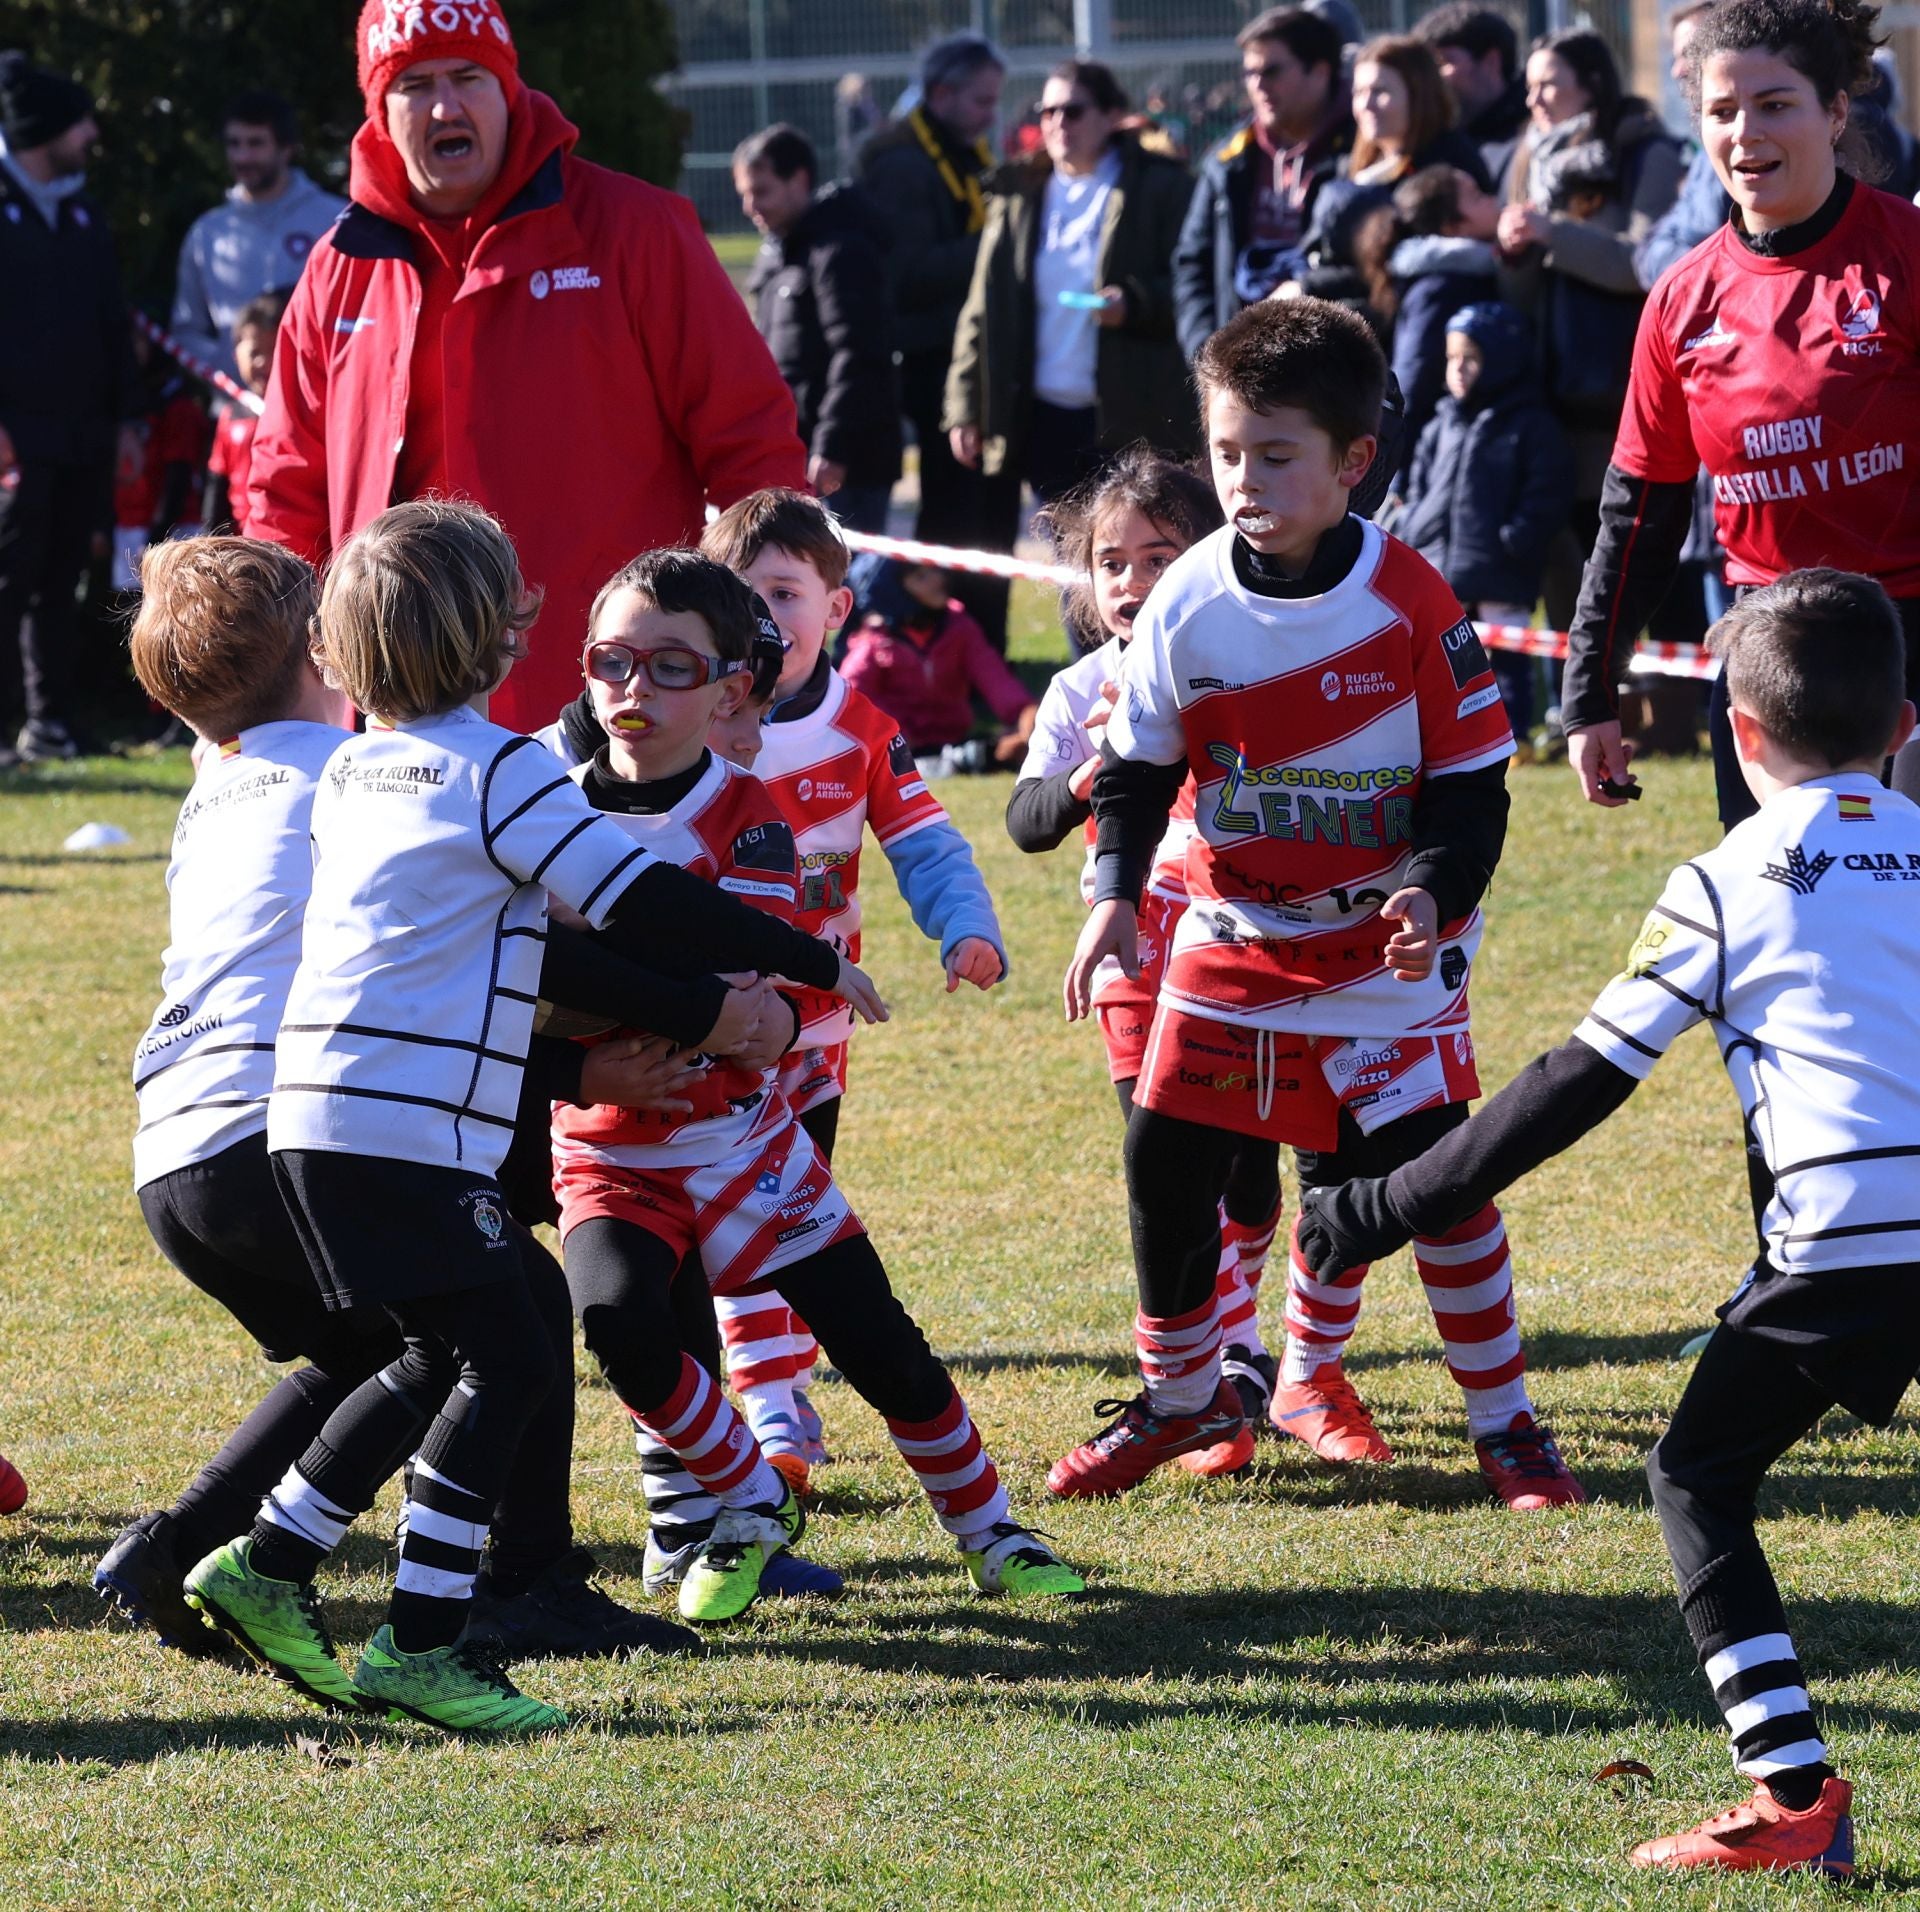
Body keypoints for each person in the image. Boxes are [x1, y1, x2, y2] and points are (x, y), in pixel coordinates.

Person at [179, 501, 882, 1732]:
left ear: (343, 651)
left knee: (441, 1353)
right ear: (507, 639)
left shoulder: (351, 766)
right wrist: (800, 959)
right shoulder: (499, 769)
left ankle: (269, 1565)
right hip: (406, 1129)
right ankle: (417, 1641)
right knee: (507, 1350)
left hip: (311, 1120)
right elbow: (647, 901)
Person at [1297, 569, 1914, 1880]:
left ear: (1739, 737)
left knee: (1697, 1478)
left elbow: (1568, 1088)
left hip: (1846, 1241)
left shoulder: (1725, 880)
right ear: (1905, 725)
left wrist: (1380, 1207)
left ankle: (1794, 1793)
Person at [96, 533, 712, 1667]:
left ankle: (173, 1546)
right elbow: (495, 948)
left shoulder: (217, 791)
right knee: (510, 1300)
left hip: (177, 1156)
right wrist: (697, 1005)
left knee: (381, 1347)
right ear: (323, 652)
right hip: (272, 1128)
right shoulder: (344, 781)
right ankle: (524, 1584)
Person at [1047, 299, 1582, 1507]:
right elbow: (1135, 762)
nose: (1245, 479)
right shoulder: (1185, 598)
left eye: (1276, 454)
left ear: (1352, 463)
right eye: (1228, 452)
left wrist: (1432, 892)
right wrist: (1113, 891)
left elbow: (1471, 784)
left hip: (1378, 949)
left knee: (1434, 1180)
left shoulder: (1412, 601)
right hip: (1235, 931)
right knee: (1164, 1157)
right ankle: (1182, 1399)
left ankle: (1506, 1425)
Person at [551, 548, 1084, 1621]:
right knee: (616, 1324)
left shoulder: (749, 812)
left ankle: (991, 1529)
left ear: (728, 690)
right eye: (611, 662)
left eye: (669, 666)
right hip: (609, 1150)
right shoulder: (548, 810)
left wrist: (598, 977)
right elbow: (582, 973)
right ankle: (750, 1498)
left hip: (748, 1138)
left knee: (877, 1338)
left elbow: (734, 979)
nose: (634, 691)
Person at [247, 0, 806, 735]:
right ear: (378, 110)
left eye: (469, 76)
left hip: (616, 708)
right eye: (415, 84)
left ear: (509, 87)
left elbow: (752, 445)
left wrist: (766, 640)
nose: (446, 104)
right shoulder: (337, 270)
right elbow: (285, 491)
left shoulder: (637, 232)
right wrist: (272, 687)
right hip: (395, 728)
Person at [695, 490, 1007, 1481]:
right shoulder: (688, 725)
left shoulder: (860, 727)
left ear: (837, 606)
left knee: (791, 1210)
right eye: (742, 595)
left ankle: (777, 1406)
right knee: (744, 1212)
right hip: (707, 1028)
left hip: (819, 1034)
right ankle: (776, 1418)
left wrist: (967, 926)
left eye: (785, 592)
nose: (764, 617)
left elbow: (924, 841)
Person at [1561, 0, 1920, 828]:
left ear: (1835, 112)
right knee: (1787, 923)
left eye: (1775, 105)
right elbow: (1637, 515)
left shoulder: (1903, 257)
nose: (1745, 132)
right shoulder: (1682, 301)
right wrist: (1590, 692)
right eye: (1722, 111)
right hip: (1765, 655)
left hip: (1905, 644)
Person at [1007, 450, 1286, 1456]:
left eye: (1157, 556)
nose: (1130, 582)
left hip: (1248, 955)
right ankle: (1212, 1364)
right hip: (1132, 963)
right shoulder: (1079, 689)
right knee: (1163, 1163)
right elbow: (1029, 819)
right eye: (1111, 563)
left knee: (1252, 1170)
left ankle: (1243, 1336)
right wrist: (1101, 767)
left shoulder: (1246, 663)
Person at [1496, 30, 1681, 639]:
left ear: (1592, 84)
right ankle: (1597, 692)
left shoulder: (1639, 151)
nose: (1535, 99)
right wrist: (1513, 251)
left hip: (1617, 388)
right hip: (1547, 391)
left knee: (1633, 545)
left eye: (1549, 83)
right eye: (1529, 85)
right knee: (1568, 546)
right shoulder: (1530, 157)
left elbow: (1642, 262)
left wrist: (1553, 235)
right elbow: (1518, 292)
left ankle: (1662, 702)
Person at [943, 61, 1196, 507]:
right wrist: (965, 407)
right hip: (1045, 416)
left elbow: (1191, 284)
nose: (1059, 123)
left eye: (1074, 111)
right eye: (1048, 111)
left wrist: (1134, 304)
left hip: (1130, 416)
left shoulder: (1159, 186)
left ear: (1111, 116)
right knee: (1069, 563)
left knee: (1138, 556)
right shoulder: (1019, 194)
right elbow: (982, 307)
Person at [0, 53, 140, 767]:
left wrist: (127, 421)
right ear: (45, 129)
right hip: (15, 439)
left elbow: (112, 322)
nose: (91, 134)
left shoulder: (83, 211)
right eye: (80, 120)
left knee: (62, 583)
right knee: (7, 580)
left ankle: (49, 724)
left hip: (82, 432)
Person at [860, 33, 1018, 651]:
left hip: (966, 360)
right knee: (953, 514)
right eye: (980, 101)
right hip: (930, 366)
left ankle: (979, 652)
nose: (990, 115)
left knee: (980, 509)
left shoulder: (959, 151)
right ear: (940, 93)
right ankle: (939, 646)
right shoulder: (902, 164)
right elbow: (909, 275)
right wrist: (999, 243)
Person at [1399, 302, 1575, 743]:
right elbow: (1420, 486)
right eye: (1452, 359)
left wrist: (1517, 538)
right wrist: (1416, 530)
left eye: (1470, 359)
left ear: (1499, 360)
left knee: (1509, 657)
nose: (1457, 370)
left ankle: (1512, 734)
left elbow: (1547, 489)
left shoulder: (1529, 424)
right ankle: (1455, 740)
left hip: (1501, 566)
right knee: (1447, 662)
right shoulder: (1439, 425)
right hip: (1442, 564)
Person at [734, 124, 900, 538]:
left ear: (800, 181)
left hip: (845, 465)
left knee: (847, 590)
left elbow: (858, 355)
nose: (751, 206)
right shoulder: (777, 256)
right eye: (744, 194)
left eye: (762, 191)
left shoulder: (841, 252)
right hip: (796, 456)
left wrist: (833, 447)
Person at [1172, 7, 1353, 361]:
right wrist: (1208, 355)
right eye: (1249, 73)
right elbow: (1192, 264)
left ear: (1320, 72)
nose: (1257, 85)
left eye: (1272, 71)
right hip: (1241, 373)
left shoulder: (1361, 152)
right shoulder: (1229, 159)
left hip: (1332, 370)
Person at [168, 90, 345, 381]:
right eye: (234, 144)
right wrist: (230, 371)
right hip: (236, 414)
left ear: (286, 148)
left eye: (256, 144)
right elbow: (187, 331)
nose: (243, 156)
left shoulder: (336, 221)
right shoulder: (208, 234)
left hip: (320, 408)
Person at [1352, 165, 1502, 486]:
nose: (1493, 200)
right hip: (1432, 464)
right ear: (1451, 227)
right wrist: (1394, 478)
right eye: (1476, 197)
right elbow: (1412, 384)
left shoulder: (1466, 277)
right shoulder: (1440, 289)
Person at [840, 556, 1037, 765]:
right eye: (921, 577)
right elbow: (850, 696)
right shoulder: (874, 641)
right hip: (895, 747)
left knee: (1010, 747)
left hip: (954, 742)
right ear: (894, 592)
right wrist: (894, 736)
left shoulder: (959, 627)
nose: (938, 580)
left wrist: (1024, 712)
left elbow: (995, 678)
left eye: (933, 571)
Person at [1347, 35, 1491, 190]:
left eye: (1380, 91)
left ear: (1418, 95)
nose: (1366, 104)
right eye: (1359, 92)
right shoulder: (1354, 167)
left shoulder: (1451, 167)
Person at [1415, 3, 1529, 187]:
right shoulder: (1433, 144)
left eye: (1443, 62)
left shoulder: (1532, 137)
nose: (1432, 78)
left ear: (1492, 61)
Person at [202, 291, 287, 535]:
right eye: (255, 353)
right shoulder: (230, 416)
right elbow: (216, 483)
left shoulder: (297, 413)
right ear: (235, 355)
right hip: (240, 538)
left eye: (273, 350)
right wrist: (212, 539)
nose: (263, 362)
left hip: (284, 535)